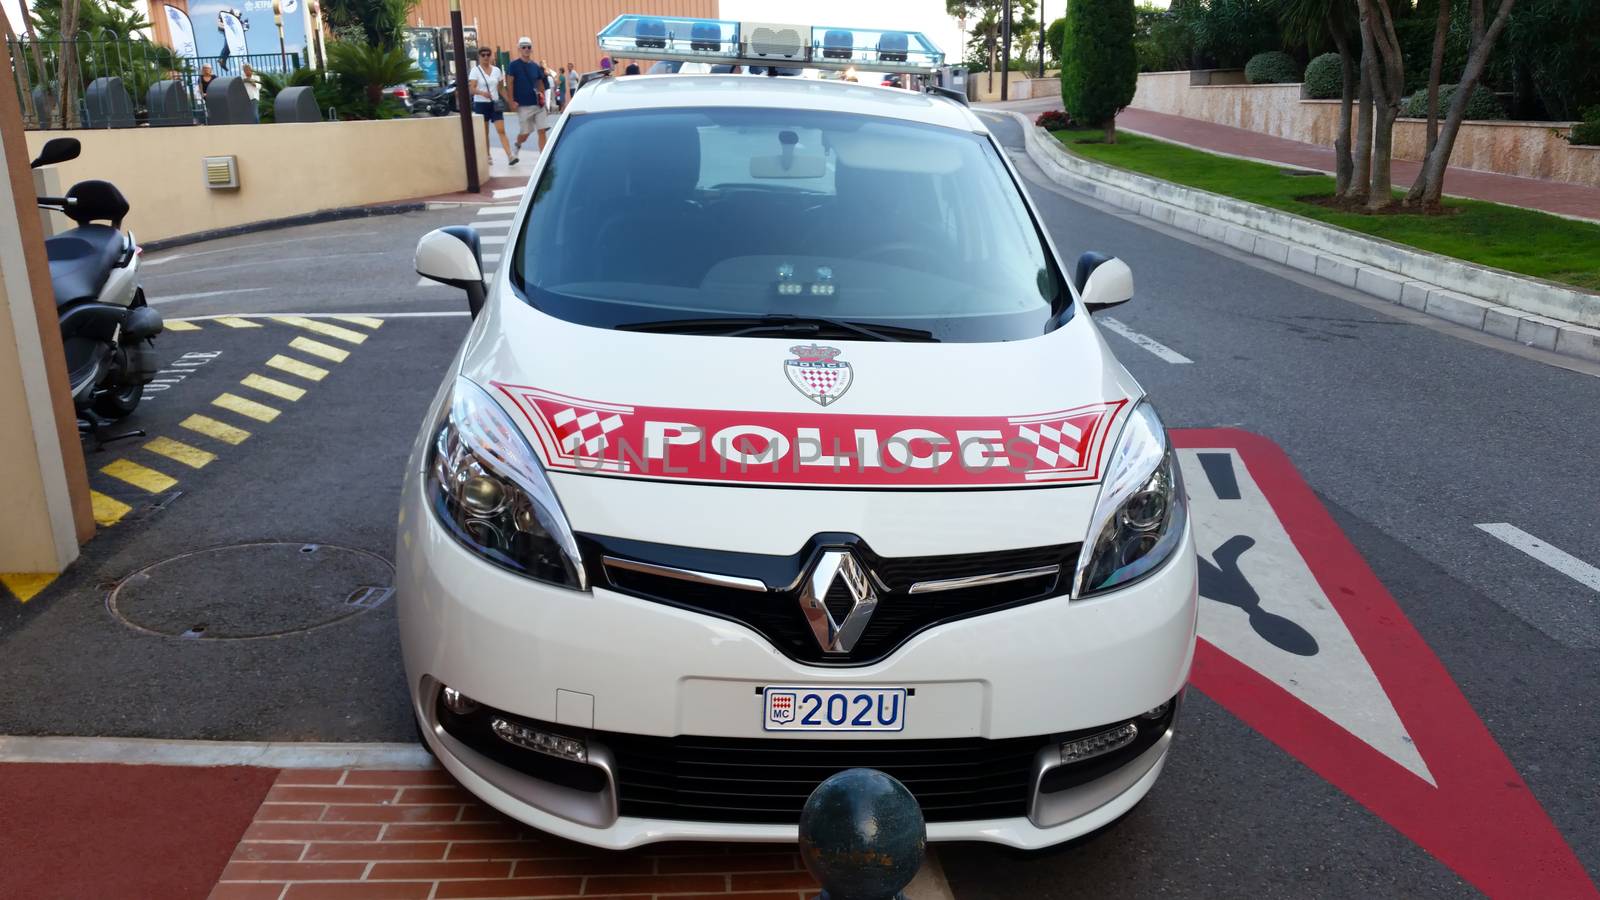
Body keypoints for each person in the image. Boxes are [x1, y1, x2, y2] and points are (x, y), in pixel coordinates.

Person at [468, 48, 517, 165]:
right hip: (481, 104)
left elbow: (500, 88)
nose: (485, 57)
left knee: (501, 130)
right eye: (483, 55)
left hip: (495, 103)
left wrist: (509, 101)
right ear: (479, 57)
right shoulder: (475, 71)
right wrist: (481, 93)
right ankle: (487, 155)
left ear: (491, 56)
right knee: (485, 132)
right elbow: (472, 89)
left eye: (488, 55)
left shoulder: (496, 70)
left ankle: (510, 155)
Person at [505, 37, 548, 156]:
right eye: (523, 47)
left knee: (542, 130)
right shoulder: (513, 65)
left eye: (528, 47)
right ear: (519, 49)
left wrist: (544, 101)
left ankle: (543, 157)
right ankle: (518, 144)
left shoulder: (535, 66)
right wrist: (511, 101)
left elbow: (540, 84)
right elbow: (510, 83)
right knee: (525, 133)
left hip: (538, 104)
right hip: (523, 105)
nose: (526, 49)